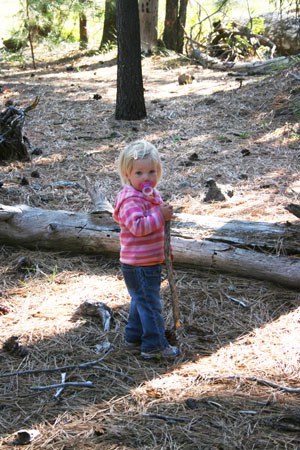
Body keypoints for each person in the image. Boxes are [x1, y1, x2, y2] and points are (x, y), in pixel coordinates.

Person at [113, 140, 180, 360]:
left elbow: (155, 222)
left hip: (149, 261)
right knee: (150, 304)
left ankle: (133, 338)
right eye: (139, 173)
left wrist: (163, 215)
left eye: (151, 171)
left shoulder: (150, 195)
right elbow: (139, 227)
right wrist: (160, 215)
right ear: (128, 174)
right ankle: (154, 345)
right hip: (138, 264)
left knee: (141, 301)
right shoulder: (131, 200)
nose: (146, 178)